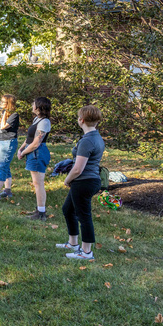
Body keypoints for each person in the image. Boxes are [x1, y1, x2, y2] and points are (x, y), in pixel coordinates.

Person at [57, 105, 105, 261]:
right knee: (68, 209)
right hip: (90, 180)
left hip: (84, 182)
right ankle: (73, 244)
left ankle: (86, 252)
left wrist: (66, 179)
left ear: (81, 120)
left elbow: (78, 169)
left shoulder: (87, 141)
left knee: (84, 216)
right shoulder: (96, 137)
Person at [17, 97, 53, 221]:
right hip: (32, 152)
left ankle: (41, 213)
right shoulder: (37, 119)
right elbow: (29, 138)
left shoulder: (44, 122)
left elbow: (37, 143)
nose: (32, 105)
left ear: (39, 107)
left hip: (38, 153)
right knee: (36, 183)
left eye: (34, 103)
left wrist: (24, 152)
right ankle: (39, 209)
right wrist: (21, 149)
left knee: (38, 184)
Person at [0, 94, 20, 200]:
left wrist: (5, 113)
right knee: (4, 166)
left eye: (3, 102)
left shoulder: (14, 115)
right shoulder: (4, 113)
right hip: (0, 141)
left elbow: (2, 126)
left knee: (1, 166)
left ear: (8, 103)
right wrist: (4, 113)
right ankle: (7, 190)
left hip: (8, 142)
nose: (0, 103)